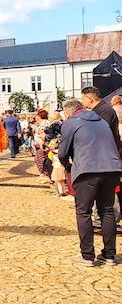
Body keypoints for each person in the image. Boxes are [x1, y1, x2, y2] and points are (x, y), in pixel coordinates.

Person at [59, 99, 122, 267]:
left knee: (84, 212)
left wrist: (68, 166)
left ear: (69, 112)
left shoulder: (71, 123)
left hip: (87, 171)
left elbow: (63, 152)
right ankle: (109, 255)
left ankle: (87, 256)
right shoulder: (101, 121)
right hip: (112, 169)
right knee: (107, 211)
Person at [82, 86, 122, 156]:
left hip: (109, 153)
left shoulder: (105, 111)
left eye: (83, 99)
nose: (82, 102)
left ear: (90, 99)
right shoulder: (98, 110)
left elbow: (100, 131)